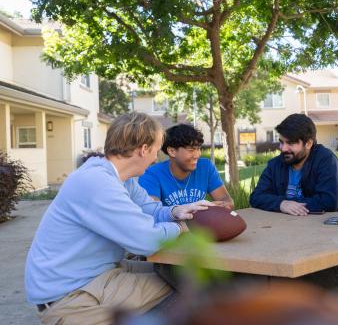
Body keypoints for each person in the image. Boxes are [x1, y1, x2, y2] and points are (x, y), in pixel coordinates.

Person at [25, 112, 207, 325]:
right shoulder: (97, 182)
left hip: (96, 275)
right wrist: (183, 227)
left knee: (178, 272)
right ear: (143, 149)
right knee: (190, 286)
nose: (156, 158)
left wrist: (176, 212)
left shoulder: (120, 178)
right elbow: (146, 241)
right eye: (156, 151)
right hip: (72, 297)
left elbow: (150, 208)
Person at [250, 113, 338, 215]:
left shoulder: (326, 160)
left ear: (308, 144)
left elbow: (329, 202)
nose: (283, 148)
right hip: (281, 226)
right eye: (281, 142)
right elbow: (256, 197)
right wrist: (281, 204)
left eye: (290, 143)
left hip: (318, 227)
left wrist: (290, 204)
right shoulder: (275, 164)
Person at [138, 123, 233, 210]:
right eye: (191, 150)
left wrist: (224, 204)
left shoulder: (205, 167)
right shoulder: (152, 174)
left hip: (200, 227)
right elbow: (153, 212)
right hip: (171, 228)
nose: (197, 155)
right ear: (172, 151)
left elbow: (225, 200)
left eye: (198, 149)